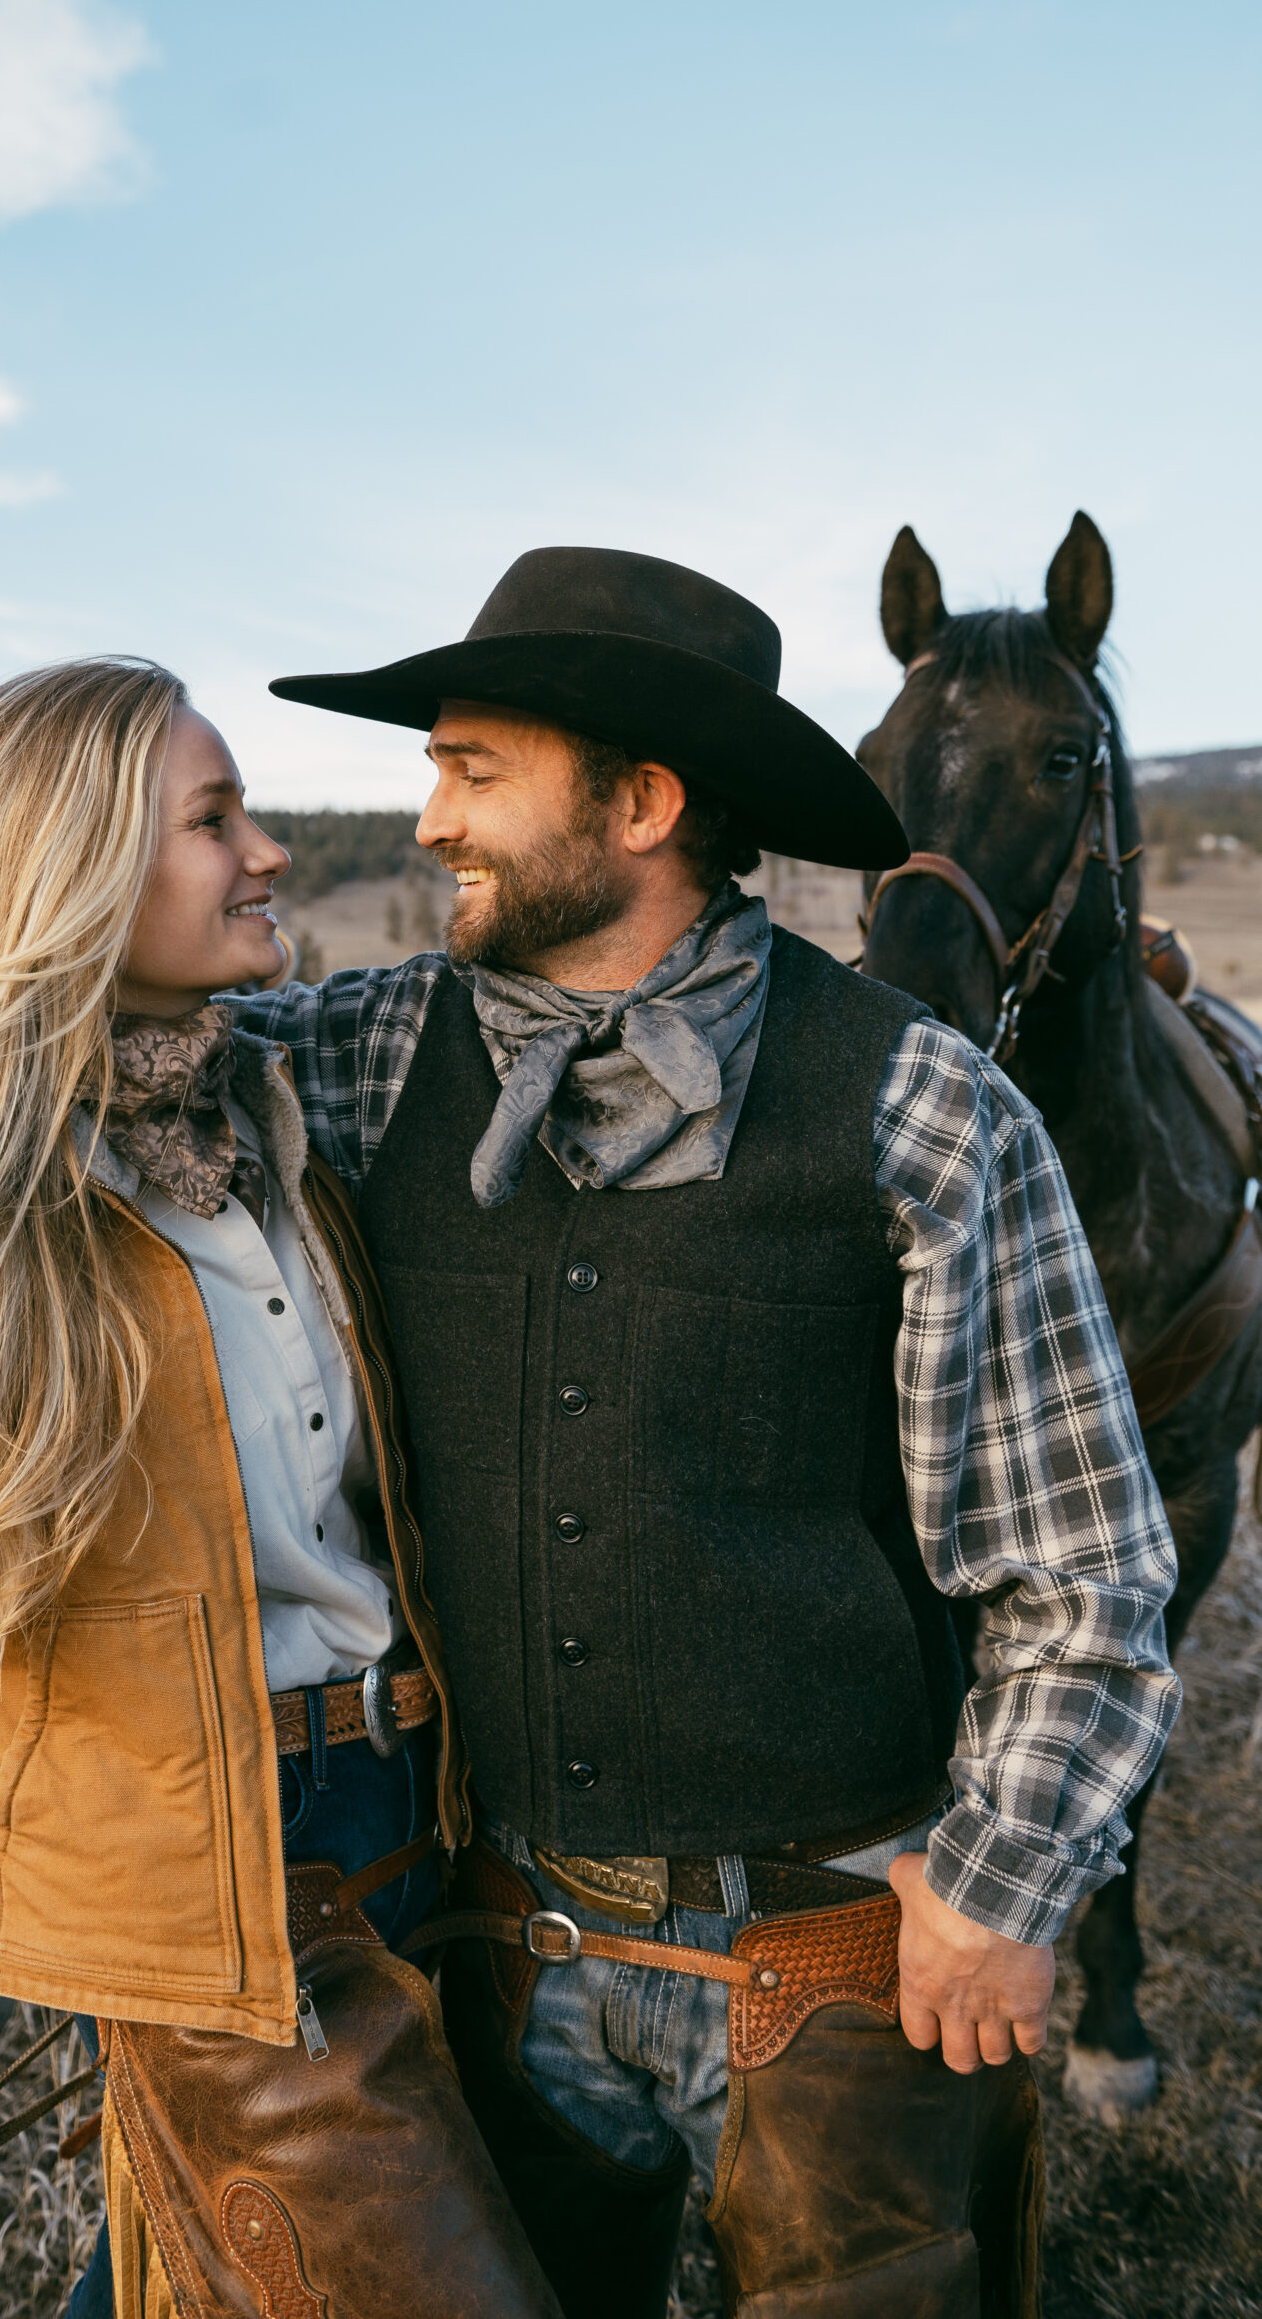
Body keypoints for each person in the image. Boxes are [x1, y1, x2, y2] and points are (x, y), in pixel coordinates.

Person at [233, 546, 1182, 2319]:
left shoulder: (924, 1108)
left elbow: (1088, 1576)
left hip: (834, 1955)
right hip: (498, 1949)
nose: (426, 820)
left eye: (470, 769)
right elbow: (61, 1057)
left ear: (645, 802)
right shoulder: (360, 1060)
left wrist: (1000, 1886)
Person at [0, 658, 559, 2319]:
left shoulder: (278, 1131)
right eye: (213, 820)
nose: (272, 854)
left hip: (421, 1845)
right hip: (211, 1890)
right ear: (76, 873)